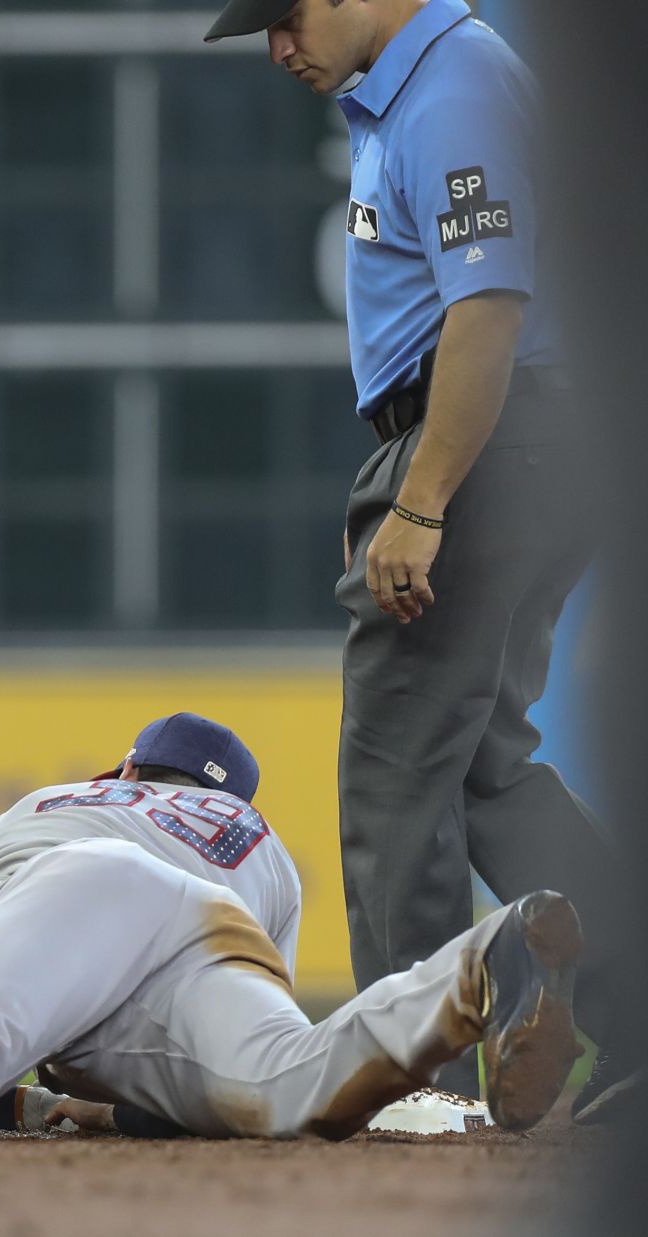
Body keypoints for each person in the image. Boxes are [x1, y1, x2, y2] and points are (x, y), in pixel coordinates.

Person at [203, 0, 635, 1118]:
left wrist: (424, 495)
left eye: (285, 17)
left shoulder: (452, 80)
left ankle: (413, 1083)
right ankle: (634, 1016)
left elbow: (487, 305)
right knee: (486, 767)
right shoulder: (416, 86)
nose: (275, 47)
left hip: (485, 442)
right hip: (508, 441)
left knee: (395, 774)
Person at [0, 713, 585, 1141]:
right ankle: (484, 956)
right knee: (290, 1083)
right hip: (216, 926)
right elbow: (184, 1106)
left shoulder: (54, 802)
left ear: (129, 768)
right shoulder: (261, 843)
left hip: (76, 883)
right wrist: (103, 1117)